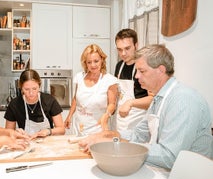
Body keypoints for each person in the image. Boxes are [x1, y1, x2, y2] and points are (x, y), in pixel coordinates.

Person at [79, 44, 213, 170]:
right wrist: (110, 135)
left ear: (161, 70)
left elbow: (169, 156)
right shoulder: (159, 99)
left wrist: (116, 146)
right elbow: (139, 134)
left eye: (142, 71)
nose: (137, 76)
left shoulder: (183, 100)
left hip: (186, 176)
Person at [64, 44, 118, 135]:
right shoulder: (79, 77)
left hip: (98, 128)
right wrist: (69, 116)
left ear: (102, 60)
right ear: (85, 63)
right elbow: (75, 99)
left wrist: (106, 116)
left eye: (96, 61)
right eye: (89, 62)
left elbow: (112, 104)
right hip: (78, 128)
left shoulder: (110, 80)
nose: (93, 65)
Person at [114, 29, 153, 140]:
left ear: (136, 45)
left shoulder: (143, 66)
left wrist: (130, 103)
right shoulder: (119, 66)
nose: (123, 53)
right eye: (119, 50)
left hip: (138, 123)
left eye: (127, 48)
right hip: (121, 123)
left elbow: (152, 100)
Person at [5, 69, 65, 138]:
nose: (31, 93)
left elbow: (62, 130)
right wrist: (15, 132)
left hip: (47, 145)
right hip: (25, 144)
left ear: (39, 86)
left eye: (34, 89)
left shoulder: (49, 100)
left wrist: (49, 131)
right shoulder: (14, 104)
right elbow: (8, 133)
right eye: (26, 89)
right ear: (21, 88)